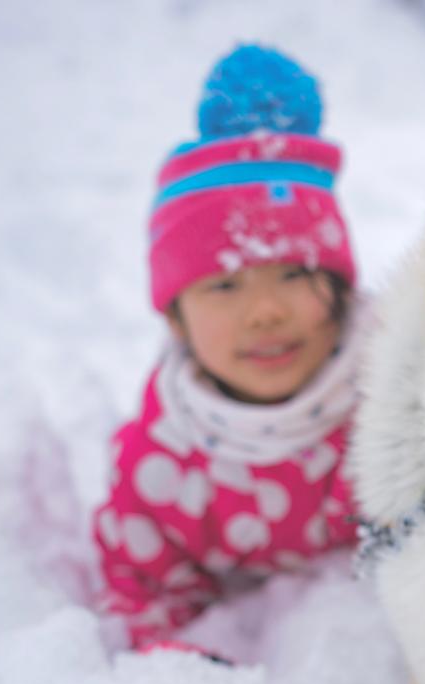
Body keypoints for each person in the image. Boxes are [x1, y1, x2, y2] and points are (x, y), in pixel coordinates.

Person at [92, 44, 365, 653]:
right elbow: (141, 588)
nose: (266, 310)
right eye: (224, 284)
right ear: (176, 320)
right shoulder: (160, 462)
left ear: (343, 290)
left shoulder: (393, 404)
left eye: (295, 274)